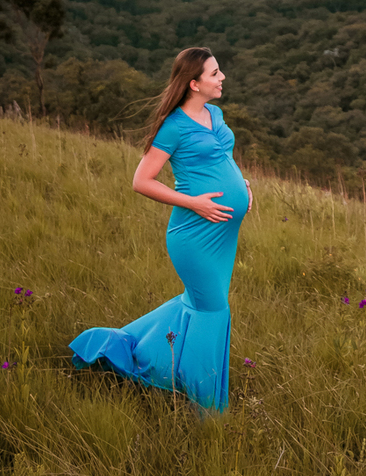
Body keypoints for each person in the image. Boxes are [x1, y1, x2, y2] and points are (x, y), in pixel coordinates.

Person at [69, 47, 252, 411]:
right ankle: (206, 409)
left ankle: (131, 349)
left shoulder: (214, 114)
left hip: (223, 236)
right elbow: (141, 181)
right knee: (214, 311)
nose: (222, 78)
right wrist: (194, 202)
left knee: (198, 304)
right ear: (194, 83)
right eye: (215, 73)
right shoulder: (174, 126)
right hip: (195, 236)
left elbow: (222, 157)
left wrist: (242, 184)